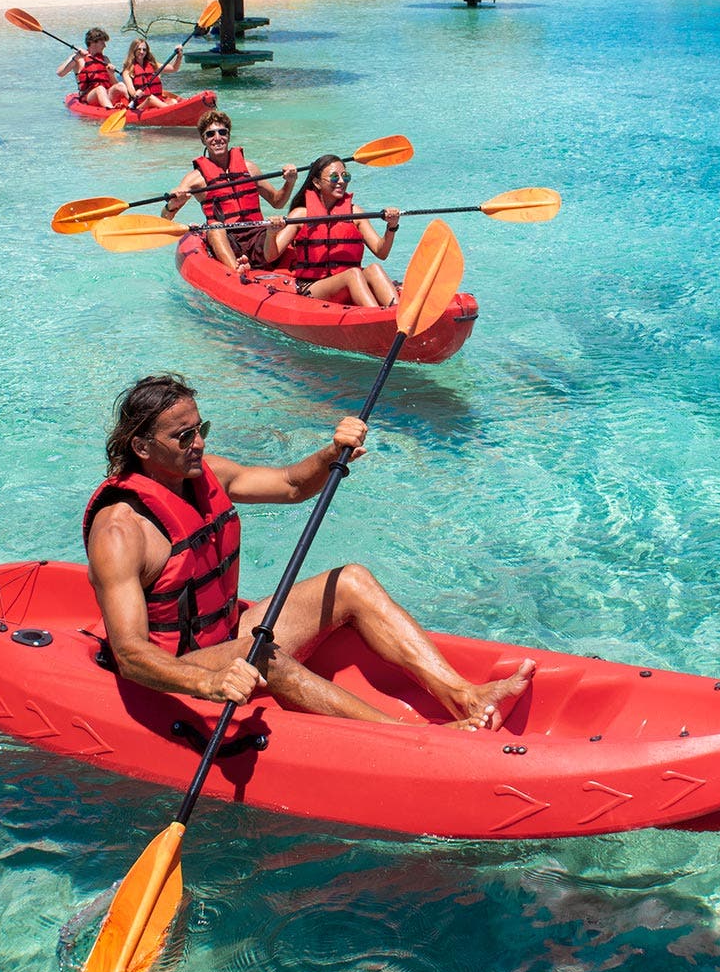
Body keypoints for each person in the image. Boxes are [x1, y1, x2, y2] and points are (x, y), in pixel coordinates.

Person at [84, 374, 535, 728]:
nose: (199, 443)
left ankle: (461, 694)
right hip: (178, 668)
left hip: (224, 634)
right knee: (259, 652)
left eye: (199, 429)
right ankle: (402, 736)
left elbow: (291, 484)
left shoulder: (206, 475)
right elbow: (131, 656)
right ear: (142, 447)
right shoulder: (120, 532)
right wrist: (210, 680)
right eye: (183, 437)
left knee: (351, 581)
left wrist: (332, 451)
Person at [161, 111, 295, 273]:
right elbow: (166, 218)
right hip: (228, 241)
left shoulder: (250, 169)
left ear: (229, 136)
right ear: (203, 140)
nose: (217, 138)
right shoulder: (195, 179)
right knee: (214, 227)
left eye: (222, 132)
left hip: (257, 236)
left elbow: (278, 202)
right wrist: (173, 203)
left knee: (300, 214)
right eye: (210, 134)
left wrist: (290, 182)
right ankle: (236, 271)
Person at [264, 155, 402, 308]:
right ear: (317, 183)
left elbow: (381, 252)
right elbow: (270, 256)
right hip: (312, 287)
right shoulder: (301, 215)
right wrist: (271, 233)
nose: (342, 182)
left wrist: (391, 226)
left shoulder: (355, 213)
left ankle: (398, 312)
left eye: (345, 176)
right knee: (353, 274)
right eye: (334, 177)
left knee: (373, 269)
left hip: (348, 282)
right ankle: (378, 317)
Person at [59, 27, 131, 111]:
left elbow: (114, 84)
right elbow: (60, 73)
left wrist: (111, 74)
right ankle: (110, 111)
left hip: (107, 94)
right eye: (102, 43)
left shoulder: (105, 59)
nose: (105, 46)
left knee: (121, 86)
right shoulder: (78, 58)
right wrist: (76, 57)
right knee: (100, 89)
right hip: (89, 97)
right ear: (93, 43)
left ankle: (132, 105)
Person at [121, 36, 183, 108]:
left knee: (173, 101)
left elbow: (173, 68)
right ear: (133, 50)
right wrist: (136, 93)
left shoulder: (153, 65)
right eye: (139, 49)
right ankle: (172, 111)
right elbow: (131, 91)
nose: (142, 52)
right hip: (140, 106)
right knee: (151, 98)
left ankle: (170, 110)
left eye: (144, 50)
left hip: (157, 101)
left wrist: (179, 56)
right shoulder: (127, 71)